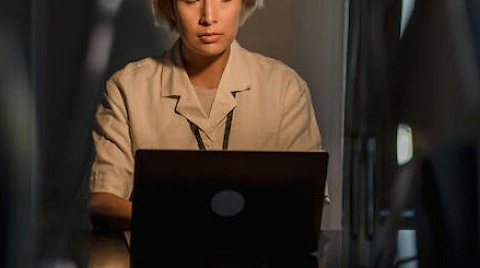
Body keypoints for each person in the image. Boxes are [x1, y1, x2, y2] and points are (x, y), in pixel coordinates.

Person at [89, 0, 324, 230]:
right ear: (170, 6)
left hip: (262, 254)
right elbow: (102, 201)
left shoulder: (285, 88)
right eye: (191, 0)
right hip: (159, 253)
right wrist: (188, 224)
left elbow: (305, 202)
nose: (208, 17)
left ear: (244, 3)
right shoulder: (128, 87)